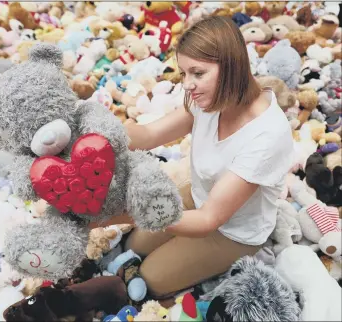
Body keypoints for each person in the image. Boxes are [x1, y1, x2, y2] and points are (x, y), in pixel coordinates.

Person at [91, 16, 295, 305]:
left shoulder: (266, 135)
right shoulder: (211, 98)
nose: (187, 85)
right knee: (134, 243)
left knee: (151, 278)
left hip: (233, 231)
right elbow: (149, 134)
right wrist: (98, 135)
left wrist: (125, 213)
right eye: (184, 73)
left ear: (232, 68)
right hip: (201, 196)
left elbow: (209, 220)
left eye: (197, 73)